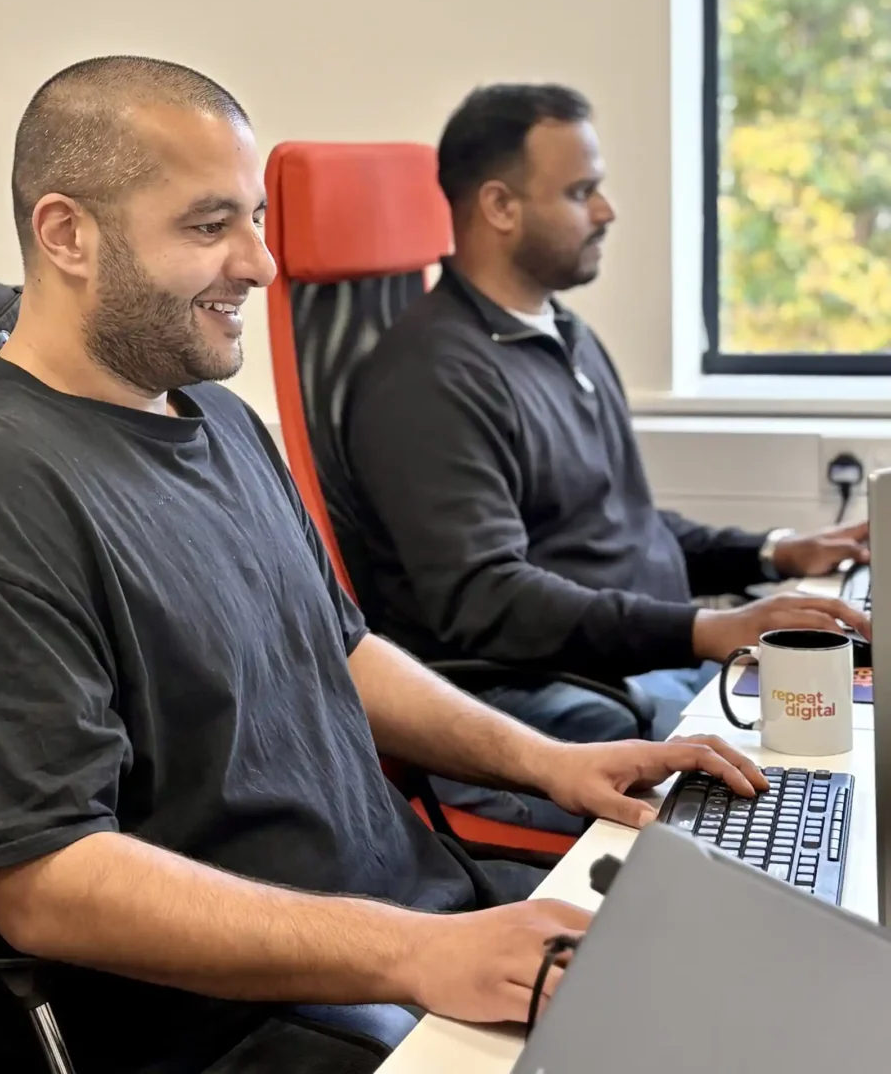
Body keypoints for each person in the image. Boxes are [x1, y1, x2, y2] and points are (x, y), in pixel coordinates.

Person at [0, 59, 767, 1074]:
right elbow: (46, 883)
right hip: (262, 1027)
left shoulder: (219, 422)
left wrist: (550, 762)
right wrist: (417, 953)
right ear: (67, 234)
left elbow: (343, 651)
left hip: (408, 942)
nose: (261, 264)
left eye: (254, 218)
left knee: (771, 992)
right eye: (209, 227)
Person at [343, 83, 870, 821]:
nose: (606, 211)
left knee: (842, 735)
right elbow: (484, 600)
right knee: (792, 796)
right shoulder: (429, 378)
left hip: (636, 674)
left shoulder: (563, 336)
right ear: (500, 206)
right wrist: (703, 632)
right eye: (582, 191)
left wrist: (778, 552)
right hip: (557, 707)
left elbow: (627, 526)